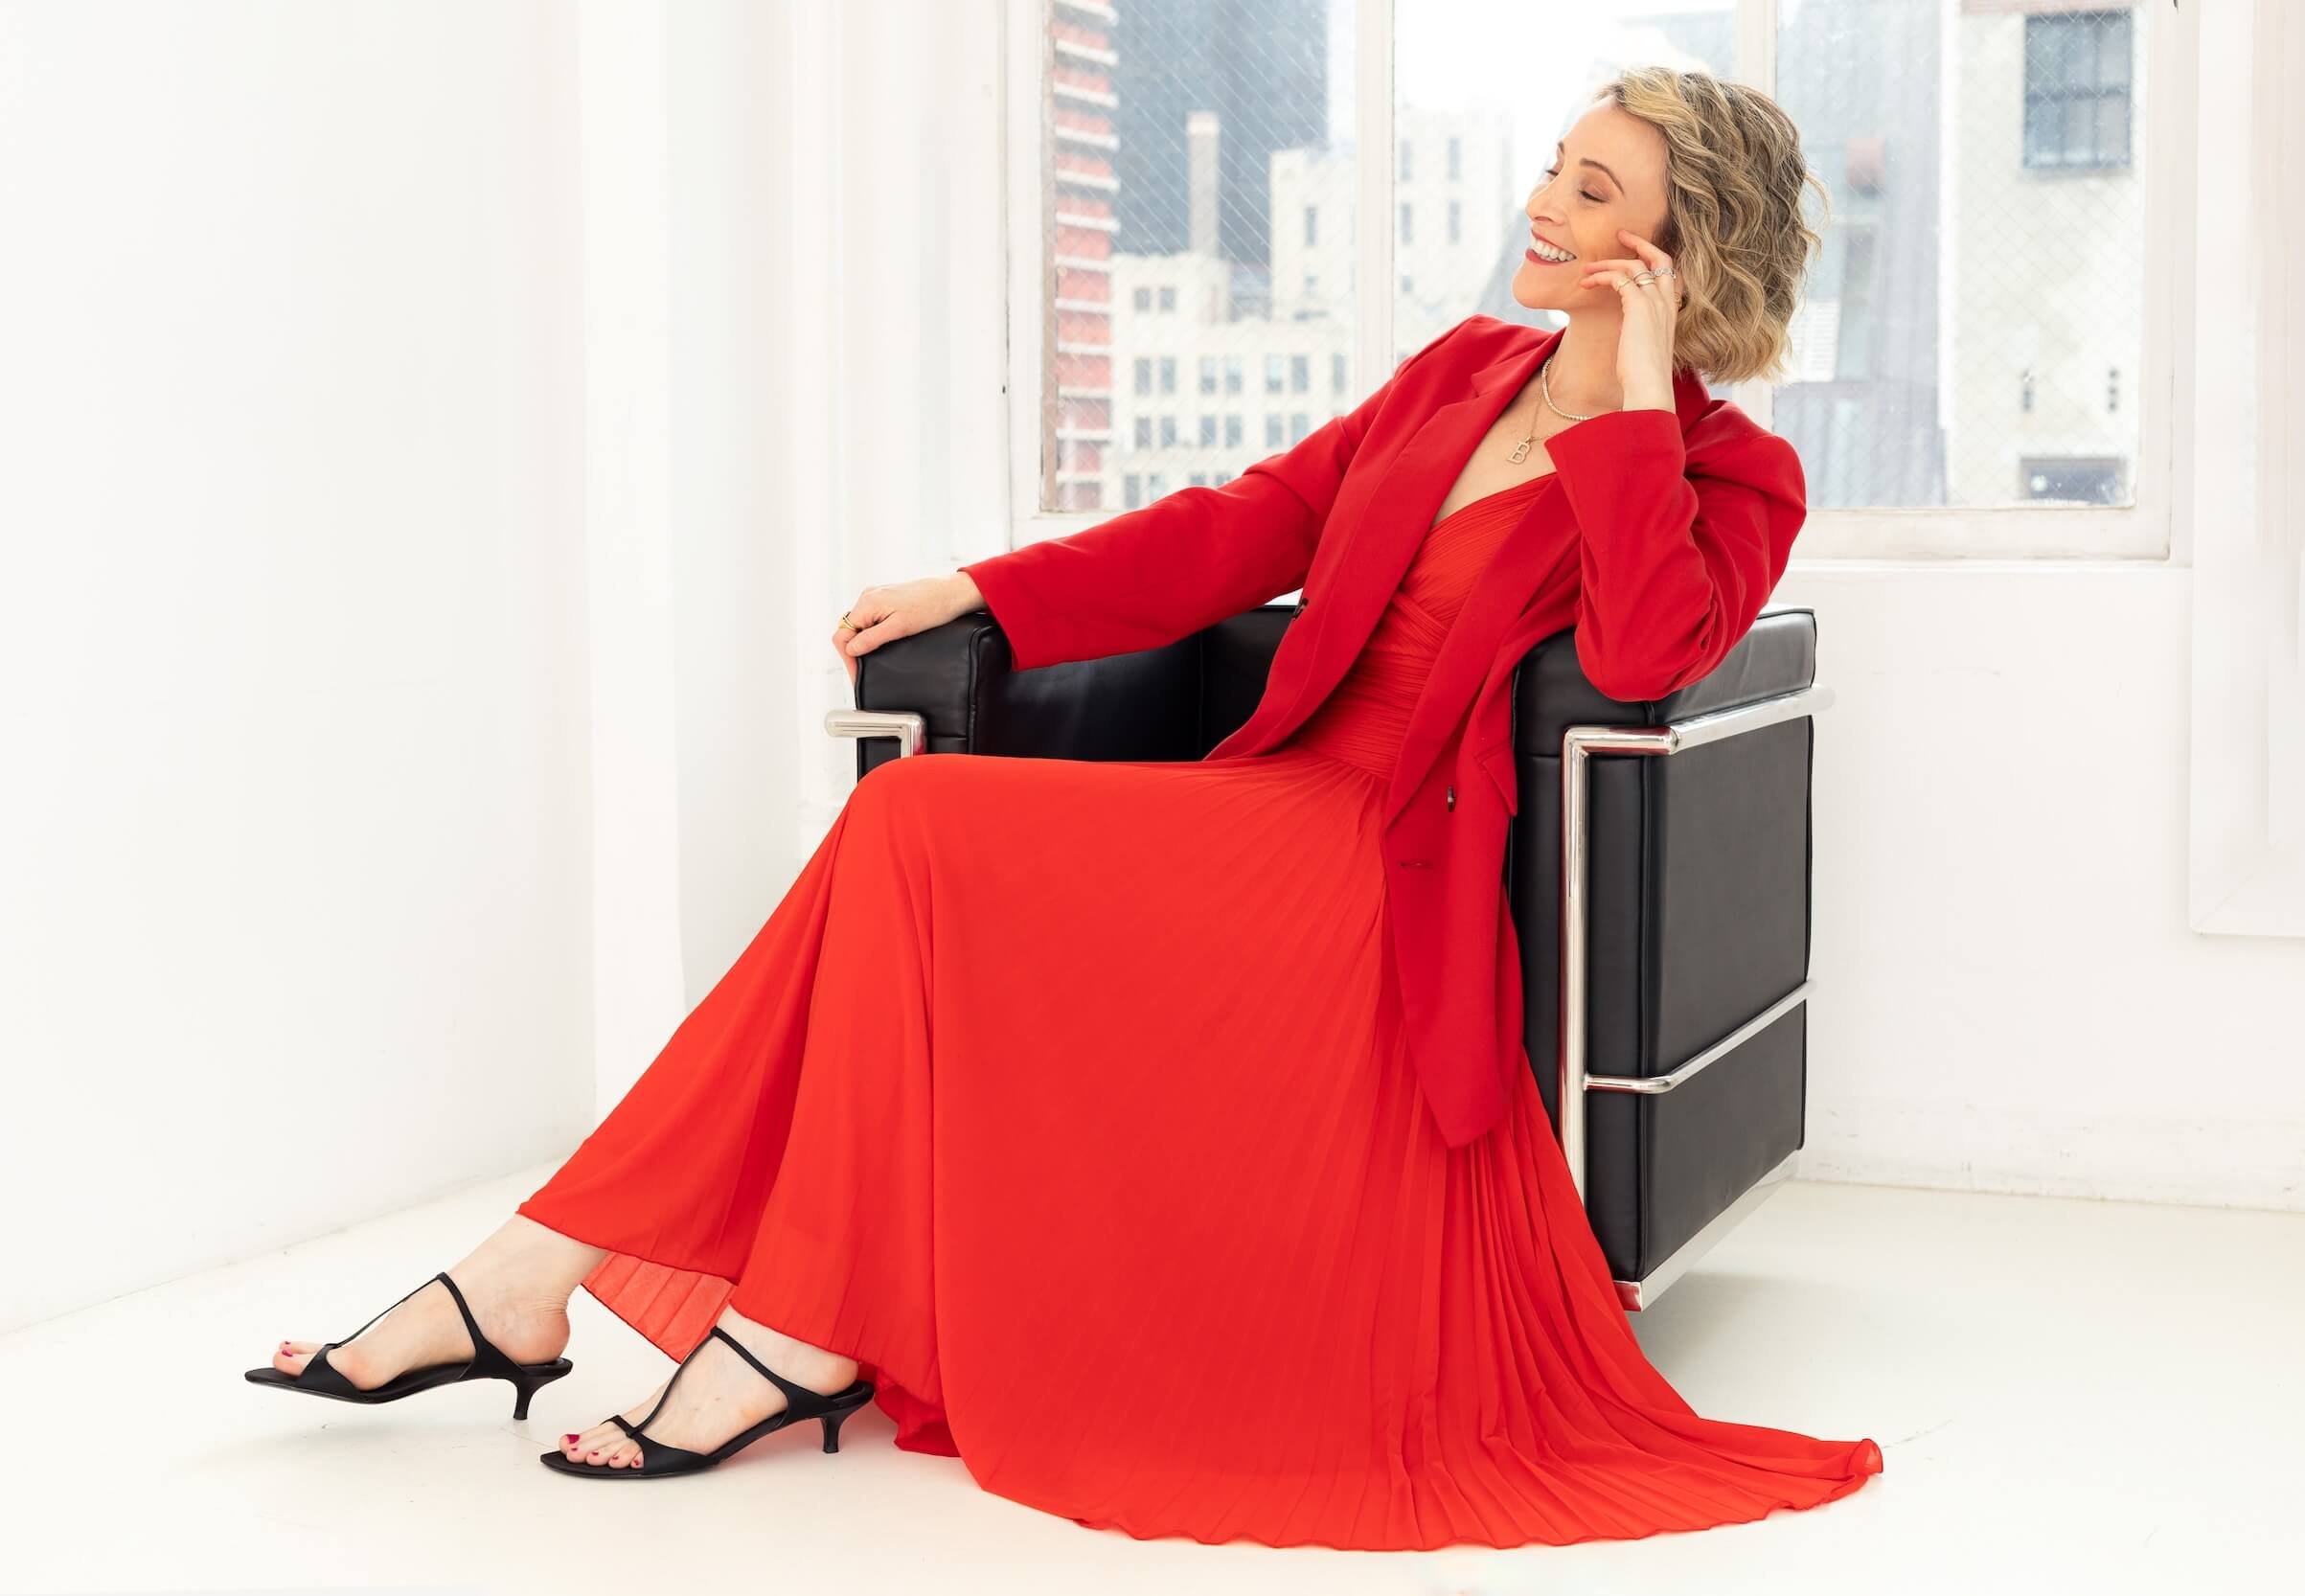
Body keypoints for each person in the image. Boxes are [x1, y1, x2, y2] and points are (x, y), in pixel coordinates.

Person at [247, 66, 1883, 1544]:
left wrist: (1631, 407)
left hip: (1379, 875)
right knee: (913, 837)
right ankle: (643, 1298)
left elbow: (1648, 643)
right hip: (1271, 801)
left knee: (914, 830)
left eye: (1598, 192)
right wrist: (985, 586)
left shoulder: (1731, 474)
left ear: (1682, 254)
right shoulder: (1461, 370)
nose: (1547, 203)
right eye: (1556, 167)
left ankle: (596, 1293)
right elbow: (1249, 525)